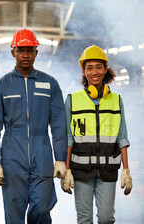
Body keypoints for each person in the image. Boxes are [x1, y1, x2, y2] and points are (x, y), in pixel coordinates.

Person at [0, 28, 67, 224]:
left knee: (41, 207)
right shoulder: (1, 86)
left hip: (42, 154)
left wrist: (61, 159)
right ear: (12, 51)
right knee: (14, 212)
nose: (25, 55)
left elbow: (58, 125)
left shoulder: (50, 84)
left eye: (30, 50)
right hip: (12, 156)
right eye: (21, 50)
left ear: (36, 53)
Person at [60, 45, 133, 223]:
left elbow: (122, 136)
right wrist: (67, 169)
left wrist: (126, 170)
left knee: (106, 219)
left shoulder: (116, 100)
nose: (95, 72)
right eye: (89, 67)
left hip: (108, 170)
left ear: (106, 69)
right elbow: (68, 138)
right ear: (83, 71)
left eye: (99, 67)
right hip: (81, 171)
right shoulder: (72, 100)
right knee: (84, 219)